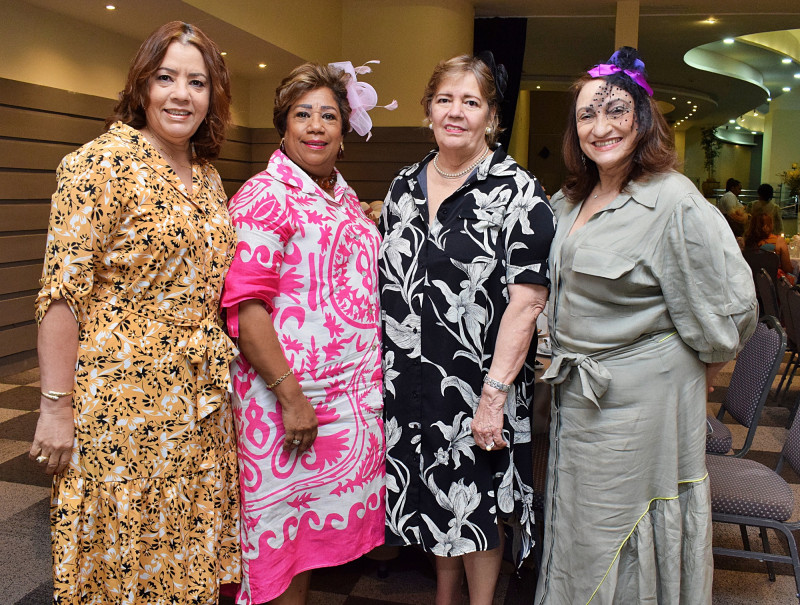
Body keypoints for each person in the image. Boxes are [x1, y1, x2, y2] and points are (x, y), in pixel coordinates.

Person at [535, 47, 757, 604]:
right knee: (577, 526)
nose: (601, 126)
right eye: (587, 114)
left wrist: (697, 370)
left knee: (619, 527)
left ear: (642, 119)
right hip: (578, 398)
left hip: (643, 407)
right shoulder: (572, 198)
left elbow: (732, 307)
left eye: (616, 112)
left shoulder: (672, 200)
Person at [28, 21, 240, 604]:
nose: (181, 94)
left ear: (212, 96)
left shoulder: (208, 177)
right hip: (120, 403)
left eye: (196, 82)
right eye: (166, 77)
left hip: (198, 403)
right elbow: (62, 294)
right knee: (124, 555)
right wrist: (55, 408)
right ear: (141, 85)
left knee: (185, 552)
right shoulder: (98, 164)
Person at [380, 53, 555, 605]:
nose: (456, 112)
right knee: (435, 499)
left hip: (481, 384)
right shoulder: (402, 188)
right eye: (444, 99)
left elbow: (527, 303)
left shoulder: (520, 194)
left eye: (471, 102)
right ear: (428, 110)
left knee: (477, 505)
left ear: (492, 118)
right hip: (409, 383)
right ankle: (443, 596)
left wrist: (494, 396)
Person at [221, 61, 393, 605]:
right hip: (285, 404)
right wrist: (290, 396)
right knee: (274, 545)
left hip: (343, 402)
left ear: (344, 132)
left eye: (329, 115)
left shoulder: (340, 195)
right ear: (283, 126)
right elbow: (246, 307)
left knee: (304, 546)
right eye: (303, 115)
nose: (316, 126)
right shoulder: (264, 196)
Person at [744, 212, 795, 283]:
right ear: (767, 226)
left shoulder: (746, 243)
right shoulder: (778, 241)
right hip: (774, 284)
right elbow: (787, 268)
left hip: (752, 282)